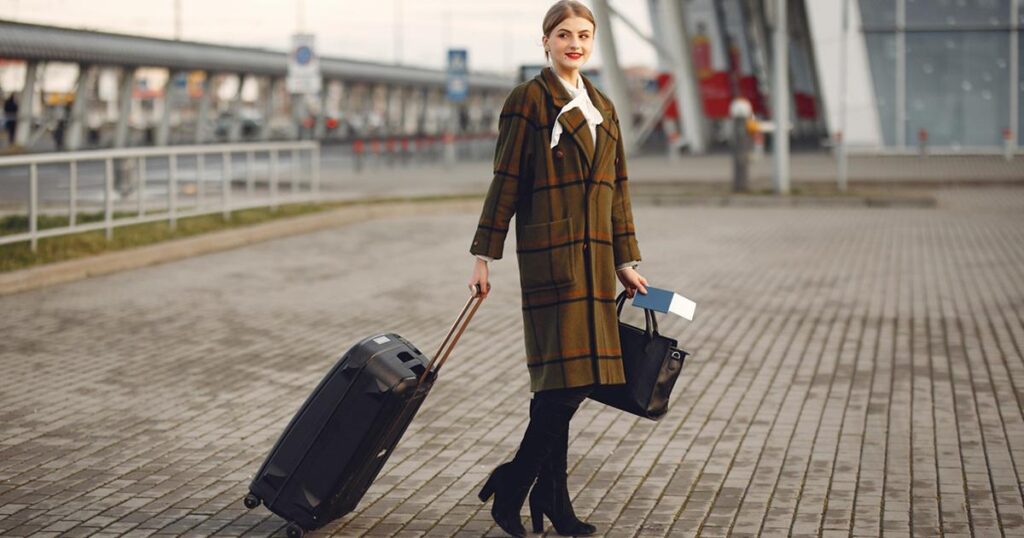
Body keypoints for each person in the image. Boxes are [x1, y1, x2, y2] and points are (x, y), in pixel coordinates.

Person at [468, 2, 647, 536]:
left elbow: (618, 190)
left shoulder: (603, 105)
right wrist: (483, 256)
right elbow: (505, 180)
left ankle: (551, 497)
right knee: (568, 381)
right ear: (545, 40)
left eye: (584, 35)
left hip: (595, 262)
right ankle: (516, 483)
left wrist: (625, 259)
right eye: (564, 34)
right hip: (552, 256)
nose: (576, 44)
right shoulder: (528, 100)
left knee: (561, 384)